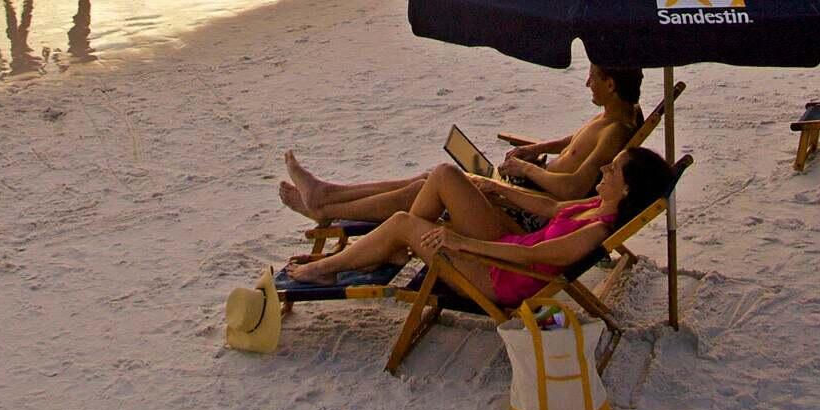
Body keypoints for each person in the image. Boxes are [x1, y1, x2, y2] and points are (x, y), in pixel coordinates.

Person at [284, 148, 675, 304]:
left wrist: (462, 244)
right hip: (513, 243)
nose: (603, 169)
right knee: (444, 176)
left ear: (626, 190)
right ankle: (381, 249)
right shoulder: (597, 204)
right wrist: (494, 187)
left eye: (612, 169)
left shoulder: (596, 231)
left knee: (405, 222)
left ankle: (326, 268)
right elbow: (552, 206)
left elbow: (532, 255)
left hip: (502, 277)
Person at [279, 64, 644, 224]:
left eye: (593, 77)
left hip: (530, 204)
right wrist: (537, 149)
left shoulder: (615, 131)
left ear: (610, 84)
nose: (587, 84)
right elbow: (576, 143)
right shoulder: (615, 114)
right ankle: (327, 194)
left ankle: (326, 206)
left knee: (424, 192)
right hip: (524, 187)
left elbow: (575, 187)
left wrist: (524, 168)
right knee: (428, 179)